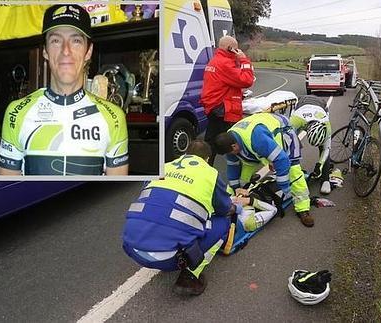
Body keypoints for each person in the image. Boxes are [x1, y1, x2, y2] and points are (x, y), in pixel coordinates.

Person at [0, 4, 128, 176]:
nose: (65, 51)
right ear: (45, 51)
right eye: (56, 40)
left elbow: (114, 195)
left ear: (88, 52)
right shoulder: (16, 113)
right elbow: (9, 194)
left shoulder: (114, 117)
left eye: (75, 40)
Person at [122, 140, 244, 296]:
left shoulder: (163, 167)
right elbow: (224, 209)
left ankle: (163, 248)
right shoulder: (210, 174)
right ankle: (190, 276)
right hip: (169, 259)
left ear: (185, 153)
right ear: (207, 159)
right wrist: (237, 207)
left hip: (131, 248)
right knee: (223, 222)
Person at [214, 113, 314, 227]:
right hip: (255, 145)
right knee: (241, 179)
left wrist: (285, 187)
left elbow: (281, 159)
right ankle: (228, 199)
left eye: (231, 153)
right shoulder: (229, 141)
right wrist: (237, 188)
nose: (230, 155)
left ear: (234, 146)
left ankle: (303, 209)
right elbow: (233, 166)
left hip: (282, 132)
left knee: (293, 172)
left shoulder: (257, 138)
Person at [200, 35, 255, 165]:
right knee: (235, 140)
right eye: (236, 49)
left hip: (213, 106)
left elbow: (225, 84)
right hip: (223, 109)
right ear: (230, 49)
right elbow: (247, 80)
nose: (238, 51)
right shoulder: (225, 63)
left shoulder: (215, 60)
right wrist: (244, 60)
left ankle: (204, 168)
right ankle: (243, 167)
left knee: (211, 141)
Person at [290, 95, 332, 194]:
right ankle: (296, 173)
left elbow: (327, 149)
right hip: (301, 104)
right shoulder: (295, 120)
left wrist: (320, 165)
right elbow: (285, 141)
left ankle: (325, 179)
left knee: (323, 147)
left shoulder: (327, 126)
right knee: (292, 143)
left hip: (321, 105)